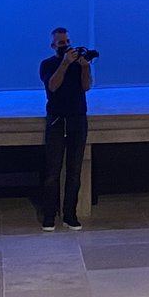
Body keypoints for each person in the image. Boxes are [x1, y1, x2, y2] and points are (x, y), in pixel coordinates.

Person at [39, 27, 94, 231]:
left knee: (74, 170)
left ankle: (70, 214)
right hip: (56, 120)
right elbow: (52, 86)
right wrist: (64, 64)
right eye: (61, 42)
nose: (66, 45)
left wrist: (85, 67)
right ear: (53, 46)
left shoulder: (77, 63)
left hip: (78, 119)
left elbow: (87, 86)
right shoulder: (47, 64)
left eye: (67, 41)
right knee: (53, 171)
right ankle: (49, 215)